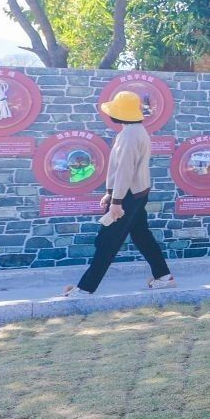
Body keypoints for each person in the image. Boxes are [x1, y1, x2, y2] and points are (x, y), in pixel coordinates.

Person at [64, 90, 174, 296]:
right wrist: (111, 193)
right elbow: (125, 169)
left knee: (107, 240)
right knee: (141, 235)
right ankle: (163, 276)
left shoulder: (129, 135)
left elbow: (125, 170)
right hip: (137, 193)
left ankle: (85, 289)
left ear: (120, 113)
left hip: (128, 196)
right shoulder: (136, 131)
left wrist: (116, 201)